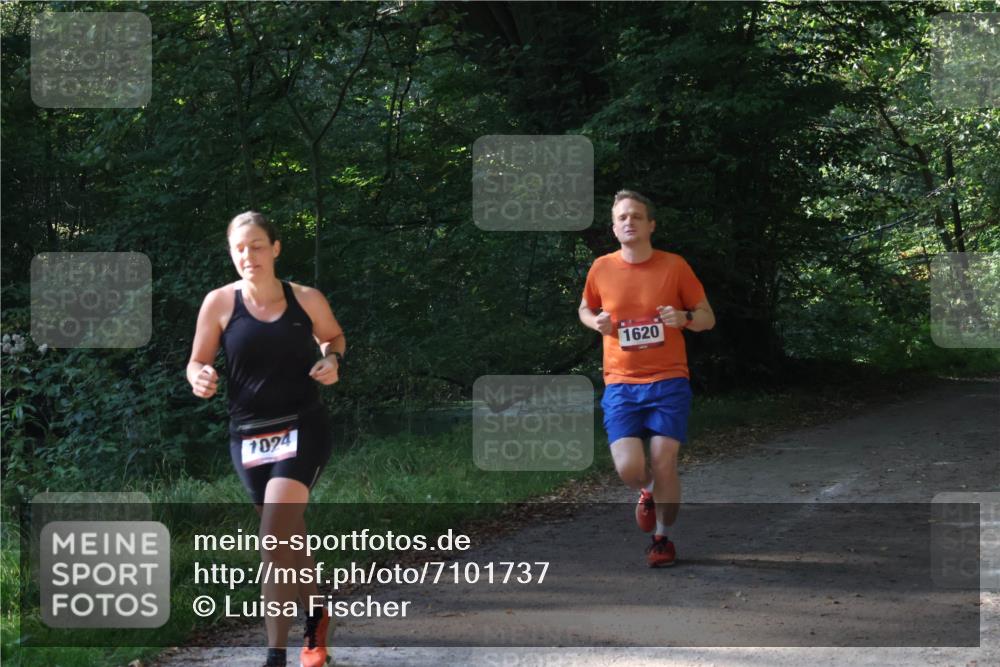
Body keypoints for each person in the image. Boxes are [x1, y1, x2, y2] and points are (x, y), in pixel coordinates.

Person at [187, 211, 344, 667]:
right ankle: (316, 626)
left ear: (275, 249)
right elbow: (196, 361)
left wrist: (332, 360)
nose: (248, 255)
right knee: (288, 539)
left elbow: (333, 337)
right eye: (239, 248)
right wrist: (200, 376)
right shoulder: (218, 303)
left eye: (257, 245)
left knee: (274, 533)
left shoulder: (306, 299)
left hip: (302, 426)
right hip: (249, 437)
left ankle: (275, 655)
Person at [578, 190, 715, 567]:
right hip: (621, 382)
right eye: (622, 217)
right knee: (629, 468)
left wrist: (684, 319)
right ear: (613, 227)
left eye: (636, 216)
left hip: (668, 380)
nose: (629, 222)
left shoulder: (674, 266)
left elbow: (707, 317)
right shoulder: (601, 268)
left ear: (650, 224)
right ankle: (648, 491)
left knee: (663, 458)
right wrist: (596, 322)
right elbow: (585, 309)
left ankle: (662, 540)